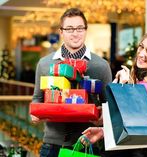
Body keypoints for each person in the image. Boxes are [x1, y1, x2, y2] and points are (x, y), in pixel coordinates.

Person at [80, 29, 147, 157]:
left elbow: (132, 128)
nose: (141, 54)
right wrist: (103, 131)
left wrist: (122, 89)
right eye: (141, 47)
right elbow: (137, 129)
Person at [31, 8, 112, 157]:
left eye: (80, 28)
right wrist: (36, 114)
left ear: (86, 30)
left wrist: (102, 117)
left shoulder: (101, 66)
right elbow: (37, 98)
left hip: (87, 145)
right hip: (52, 146)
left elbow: (111, 107)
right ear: (61, 32)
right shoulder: (44, 64)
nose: (75, 33)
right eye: (69, 29)